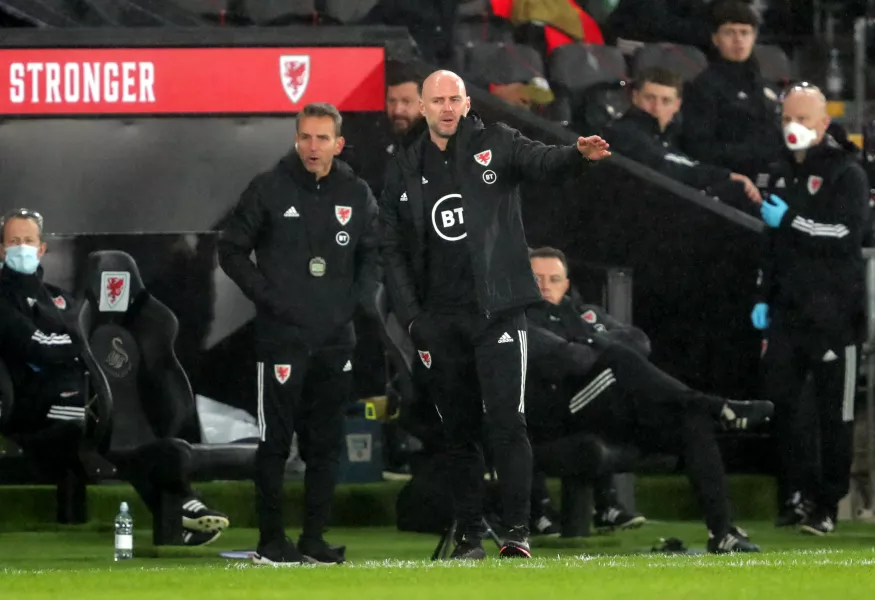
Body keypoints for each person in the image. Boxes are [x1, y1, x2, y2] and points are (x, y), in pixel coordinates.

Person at [379, 68, 611, 560]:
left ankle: (517, 533)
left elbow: (542, 160)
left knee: (508, 423)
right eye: (437, 99)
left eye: (454, 99)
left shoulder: (497, 142)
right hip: (440, 320)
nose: (446, 107)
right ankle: (469, 537)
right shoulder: (402, 164)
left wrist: (576, 155)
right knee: (458, 431)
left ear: (466, 103)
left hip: (497, 312)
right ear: (422, 107)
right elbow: (390, 248)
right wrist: (414, 320)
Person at [0, 208, 229, 547]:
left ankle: (183, 507)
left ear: (42, 247)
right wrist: (74, 339)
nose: (22, 248)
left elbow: (77, 337)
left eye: (28, 241)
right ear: (2, 250)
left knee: (142, 439)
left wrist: (73, 339)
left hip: (82, 401)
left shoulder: (58, 297)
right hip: (35, 410)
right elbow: (40, 346)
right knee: (103, 424)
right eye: (14, 242)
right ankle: (183, 504)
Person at [525, 246, 774, 553]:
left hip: (608, 408)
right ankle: (717, 406)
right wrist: (595, 344)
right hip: (562, 415)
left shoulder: (582, 313)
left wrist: (590, 341)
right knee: (617, 358)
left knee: (689, 422)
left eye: (553, 279)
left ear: (566, 283)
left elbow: (639, 341)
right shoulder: (519, 320)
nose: (545, 286)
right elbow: (568, 360)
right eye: (536, 279)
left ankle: (723, 533)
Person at [218, 102, 380, 565]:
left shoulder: (356, 191)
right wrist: (270, 299)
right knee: (275, 441)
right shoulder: (269, 187)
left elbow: (375, 252)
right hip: (281, 339)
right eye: (306, 137)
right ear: (296, 139)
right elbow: (230, 250)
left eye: (322, 138)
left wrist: (357, 301)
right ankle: (272, 540)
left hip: (336, 339)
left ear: (338, 143)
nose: (313, 147)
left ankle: (313, 540)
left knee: (326, 443)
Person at [753, 84, 868, 536]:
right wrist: (761, 298)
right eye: (787, 120)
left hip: (835, 315)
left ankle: (827, 502)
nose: (794, 128)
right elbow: (769, 244)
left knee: (833, 413)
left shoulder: (847, 172)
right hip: (788, 312)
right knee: (784, 405)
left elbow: (845, 235)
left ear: (823, 123)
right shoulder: (778, 170)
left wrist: (792, 222)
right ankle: (798, 494)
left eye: (803, 120)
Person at [601, 67, 761, 205]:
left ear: (677, 105)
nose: (656, 108)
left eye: (666, 101)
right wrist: (724, 176)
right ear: (635, 97)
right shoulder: (623, 132)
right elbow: (663, 166)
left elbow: (683, 163)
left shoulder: (668, 137)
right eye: (649, 98)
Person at [681, 1, 783, 182]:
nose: (738, 40)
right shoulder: (703, 87)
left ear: (754, 36)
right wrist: (752, 150)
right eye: (729, 32)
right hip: (730, 179)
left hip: (773, 176)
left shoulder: (766, 85)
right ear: (715, 38)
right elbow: (699, 147)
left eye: (745, 32)